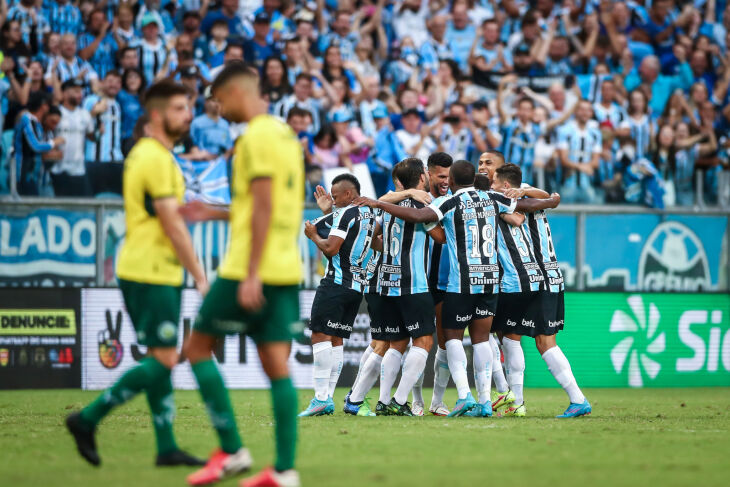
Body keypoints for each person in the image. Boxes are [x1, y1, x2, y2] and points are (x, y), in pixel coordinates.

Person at [65, 80, 207, 468]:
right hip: (150, 272)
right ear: (158, 115)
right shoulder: (153, 157)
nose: (188, 115)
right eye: (180, 108)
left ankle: (166, 447)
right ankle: (86, 418)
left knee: (160, 356)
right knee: (162, 360)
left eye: (189, 107)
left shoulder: (161, 156)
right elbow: (172, 224)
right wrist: (200, 275)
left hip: (155, 270)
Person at [353, 161, 561, 416]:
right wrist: (551, 200)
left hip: (459, 282)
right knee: (483, 340)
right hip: (490, 281)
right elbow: (525, 209)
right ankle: (484, 400)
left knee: (449, 339)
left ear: (451, 181)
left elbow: (421, 218)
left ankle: (463, 396)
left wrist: (379, 204)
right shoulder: (492, 197)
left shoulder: (447, 202)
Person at [180, 62, 304, 487]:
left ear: (234, 91)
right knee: (276, 365)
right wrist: (212, 212)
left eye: (216, 96)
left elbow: (265, 206)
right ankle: (284, 470)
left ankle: (232, 449)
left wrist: (250, 274)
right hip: (286, 267)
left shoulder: (254, 137)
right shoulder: (285, 135)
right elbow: (266, 203)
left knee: (196, 349)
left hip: (248, 268)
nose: (216, 105)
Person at [493, 164, 592, 418]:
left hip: (537, 276)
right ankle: (520, 402)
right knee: (513, 336)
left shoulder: (518, 194)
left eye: (488, 169)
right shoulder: (524, 194)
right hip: (543, 275)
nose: (485, 173)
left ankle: (574, 399)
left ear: (505, 183)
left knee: (537, 340)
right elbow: (551, 198)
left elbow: (543, 203)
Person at [369, 158, 443, 416]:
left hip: (388, 283)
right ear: (422, 178)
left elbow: (375, 241)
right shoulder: (422, 205)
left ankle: (383, 400)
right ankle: (400, 402)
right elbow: (440, 238)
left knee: (396, 343)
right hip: (415, 283)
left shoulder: (387, 206)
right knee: (422, 341)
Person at [299, 173, 377, 417]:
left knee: (320, 335)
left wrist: (313, 236)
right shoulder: (370, 215)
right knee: (336, 340)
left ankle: (321, 397)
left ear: (348, 194)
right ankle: (327, 398)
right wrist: (326, 212)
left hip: (335, 283)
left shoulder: (345, 213)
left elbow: (330, 248)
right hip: (356, 289)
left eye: (335, 197)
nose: (332, 201)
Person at [14, 94, 64, 196]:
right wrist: (54, 142)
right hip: (23, 174)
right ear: (43, 106)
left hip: (33, 176)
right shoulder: (27, 119)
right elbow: (36, 146)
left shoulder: (36, 124)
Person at [84, 70, 124, 195]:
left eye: (118, 82)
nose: (114, 85)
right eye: (110, 81)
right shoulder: (91, 100)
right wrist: (94, 112)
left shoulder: (117, 105)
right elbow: (82, 121)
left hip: (116, 160)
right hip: (95, 160)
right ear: (102, 83)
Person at [51, 79, 93, 196]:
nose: (80, 94)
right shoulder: (55, 112)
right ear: (64, 93)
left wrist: (99, 133)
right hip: (58, 169)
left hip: (79, 170)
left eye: (81, 91)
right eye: (75, 91)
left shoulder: (85, 114)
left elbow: (91, 136)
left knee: (82, 209)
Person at [557, 100, 603, 204]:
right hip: (568, 183)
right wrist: (582, 167)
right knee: (567, 216)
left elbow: (596, 162)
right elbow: (564, 160)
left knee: (591, 217)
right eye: (582, 109)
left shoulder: (595, 134)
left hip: (587, 183)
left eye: (588, 110)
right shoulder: (565, 131)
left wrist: (582, 166)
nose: (585, 113)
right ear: (576, 111)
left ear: (591, 113)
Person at [190, 92, 233, 158]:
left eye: (219, 101)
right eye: (213, 101)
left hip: (221, 162)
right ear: (206, 103)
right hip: (202, 162)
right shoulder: (197, 123)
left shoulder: (225, 124)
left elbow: (229, 146)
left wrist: (224, 158)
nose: (217, 104)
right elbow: (191, 144)